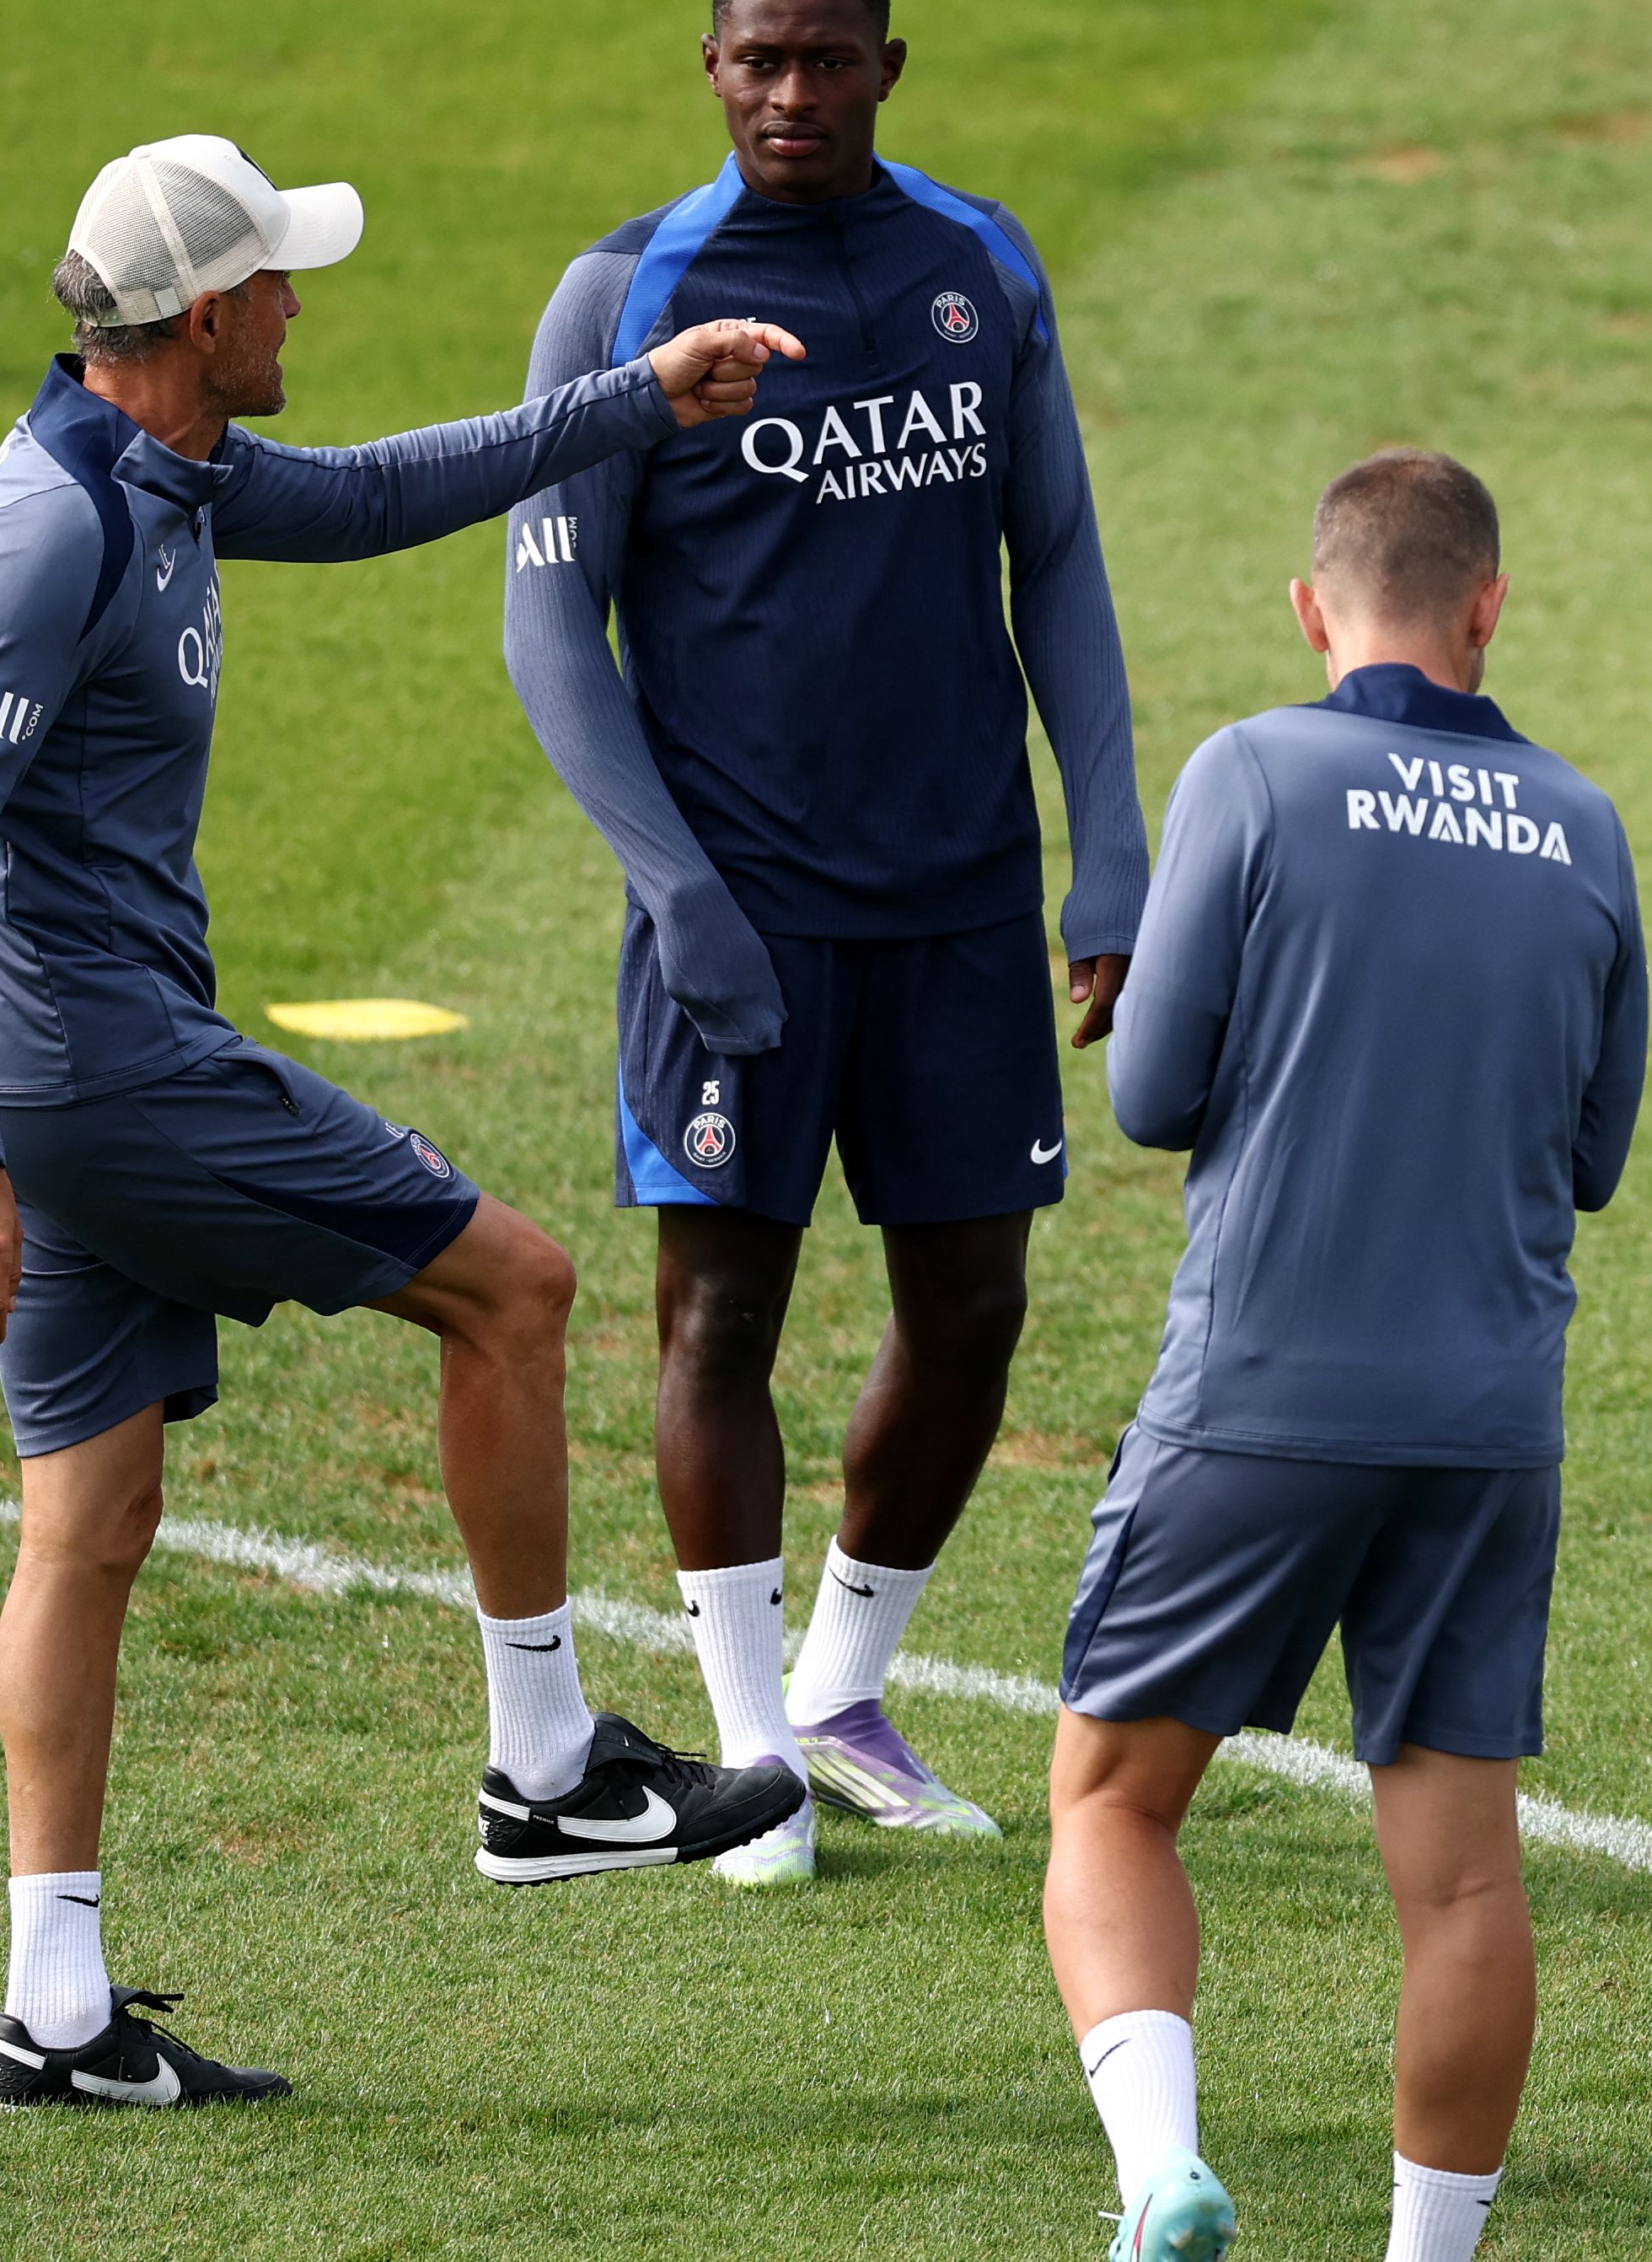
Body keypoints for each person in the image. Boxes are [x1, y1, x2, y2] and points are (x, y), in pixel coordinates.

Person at [0, 137, 811, 2108]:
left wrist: (635, 398)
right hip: (103, 1080)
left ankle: (54, 2010)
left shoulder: (172, 470)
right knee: (519, 1289)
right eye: (282, 282)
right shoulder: (53, 528)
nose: (307, 303)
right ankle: (544, 1772)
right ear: (203, 319)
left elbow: (389, 491)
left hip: (86, 1086)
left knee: (89, 1527)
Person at [504, 0, 1144, 1880]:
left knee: (973, 1314)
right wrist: (679, 889)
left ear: (890, 62)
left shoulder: (980, 261)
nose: (792, 95)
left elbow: (1065, 560)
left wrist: (1110, 852)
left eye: (827, 58)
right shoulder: (625, 292)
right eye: (756, 59)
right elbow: (553, 631)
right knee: (722, 1320)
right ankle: (749, 1752)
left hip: (958, 898)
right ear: (709, 68)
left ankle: (845, 1683)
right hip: (745, 913)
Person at [1041, 451, 1646, 2262]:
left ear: (1316, 611)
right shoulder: (1586, 823)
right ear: (1486, 607)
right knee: (1462, 1875)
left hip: (1262, 1395)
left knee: (1113, 1797)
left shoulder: (1253, 769)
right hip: (1486, 1419)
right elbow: (1595, 1159)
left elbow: (1149, 1095)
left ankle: (1162, 2174)